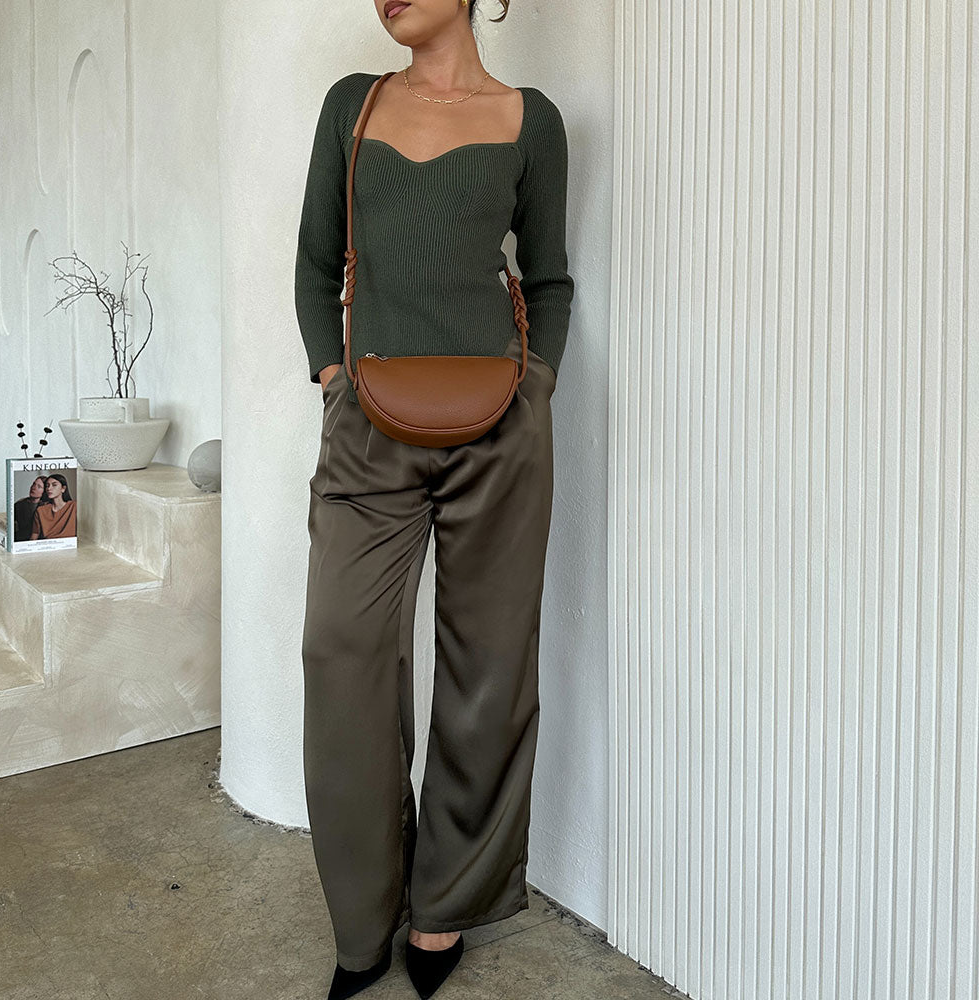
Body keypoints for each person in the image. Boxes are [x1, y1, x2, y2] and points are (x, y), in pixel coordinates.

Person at [294, 2, 574, 997]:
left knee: (487, 664)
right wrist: (333, 376)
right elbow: (315, 260)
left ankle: (445, 907)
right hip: (368, 420)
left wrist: (533, 384)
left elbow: (547, 278)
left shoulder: (530, 120)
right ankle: (363, 918)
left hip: (499, 421)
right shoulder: (350, 107)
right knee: (342, 649)